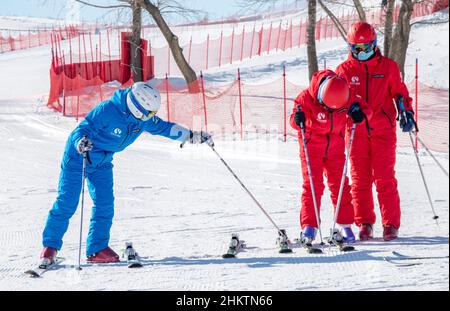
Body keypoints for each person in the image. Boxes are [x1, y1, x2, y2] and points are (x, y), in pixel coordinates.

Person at [40, 81, 214, 264]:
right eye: (150, 113)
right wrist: (80, 142)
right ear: (137, 107)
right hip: (79, 156)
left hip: (103, 161)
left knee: (105, 204)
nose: (152, 117)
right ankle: (50, 248)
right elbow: (84, 128)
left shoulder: (142, 120)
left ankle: (96, 249)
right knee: (67, 202)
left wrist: (190, 135)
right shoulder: (108, 110)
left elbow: (164, 127)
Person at [335, 22, 416, 241]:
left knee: (385, 178)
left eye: (366, 48)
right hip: (356, 132)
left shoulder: (388, 67)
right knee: (360, 179)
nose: (362, 53)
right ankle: (365, 223)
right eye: (357, 49)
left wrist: (405, 110)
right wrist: (348, 107)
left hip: (383, 130)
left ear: (374, 44)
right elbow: (338, 99)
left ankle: (390, 224)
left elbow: (400, 92)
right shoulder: (344, 70)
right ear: (350, 48)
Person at [290, 69, 372, 244]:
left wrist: (360, 113)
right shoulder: (305, 98)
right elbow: (293, 120)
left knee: (340, 184)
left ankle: (345, 225)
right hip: (311, 147)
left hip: (335, 146)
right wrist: (297, 119)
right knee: (313, 185)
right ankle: (309, 226)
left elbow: (365, 110)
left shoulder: (346, 94)